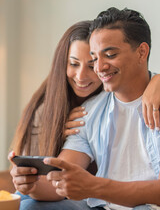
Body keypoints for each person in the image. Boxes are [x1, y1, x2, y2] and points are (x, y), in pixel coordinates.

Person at [9, 11, 160, 209]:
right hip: (100, 205)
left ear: (141, 52)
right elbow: (60, 179)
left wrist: (95, 187)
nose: (100, 67)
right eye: (95, 58)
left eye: (110, 55)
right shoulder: (89, 110)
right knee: (29, 204)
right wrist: (29, 182)